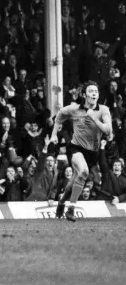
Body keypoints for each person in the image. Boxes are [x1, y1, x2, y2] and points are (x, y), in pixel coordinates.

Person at [51, 81, 112, 222]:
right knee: (84, 171)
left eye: (96, 91)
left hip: (93, 153)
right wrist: (54, 134)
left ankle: (61, 202)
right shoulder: (74, 109)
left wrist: (94, 119)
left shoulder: (103, 110)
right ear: (84, 95)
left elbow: (108, 130)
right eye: (91, 91)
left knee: (72, 184)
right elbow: (59, 116)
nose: (94, 93)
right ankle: (71, 209)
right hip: (75, 148)